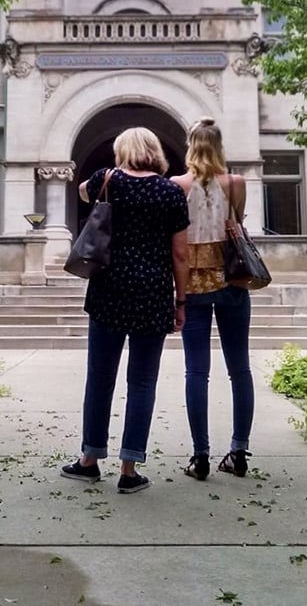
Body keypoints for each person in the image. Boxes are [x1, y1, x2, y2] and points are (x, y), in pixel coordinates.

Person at [61, 127, 190, 494]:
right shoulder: (171, 192)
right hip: (152, 293)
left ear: (122, 151)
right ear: (155, 152)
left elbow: (82, 190)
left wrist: (106, 176)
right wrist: (182, 301)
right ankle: (129, 468)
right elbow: (181, 254)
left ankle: (89, 460)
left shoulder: (107, 180)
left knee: (100, 377)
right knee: (143, 381)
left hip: (108, 290)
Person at [170, 116, 254, 481]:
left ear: (190, 146)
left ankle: (200, 456)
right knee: (240, 370)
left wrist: (179, 299)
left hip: (194, 288)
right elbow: (238, 226)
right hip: (233, 283)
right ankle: (238, 452)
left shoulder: (177, 185)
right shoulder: (235, 183)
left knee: (196, 371)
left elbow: (176, 247)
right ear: (220, 147)